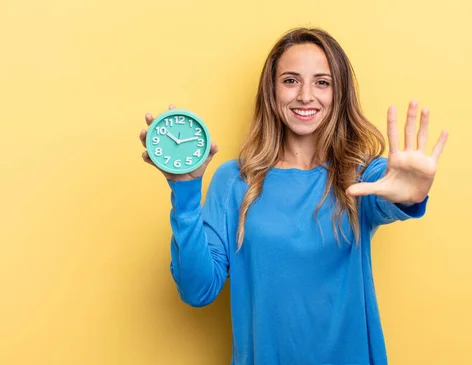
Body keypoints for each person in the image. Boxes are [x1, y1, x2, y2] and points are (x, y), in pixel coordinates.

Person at [139, 27, 448, 365]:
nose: (305, 95)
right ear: (271, 92)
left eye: (322, 82)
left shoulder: (362, 176)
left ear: (339, 93)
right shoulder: (234, 180)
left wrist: (408, 196)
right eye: (290, 80)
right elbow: (197, 289)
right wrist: (184, 193)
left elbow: (389, 195)